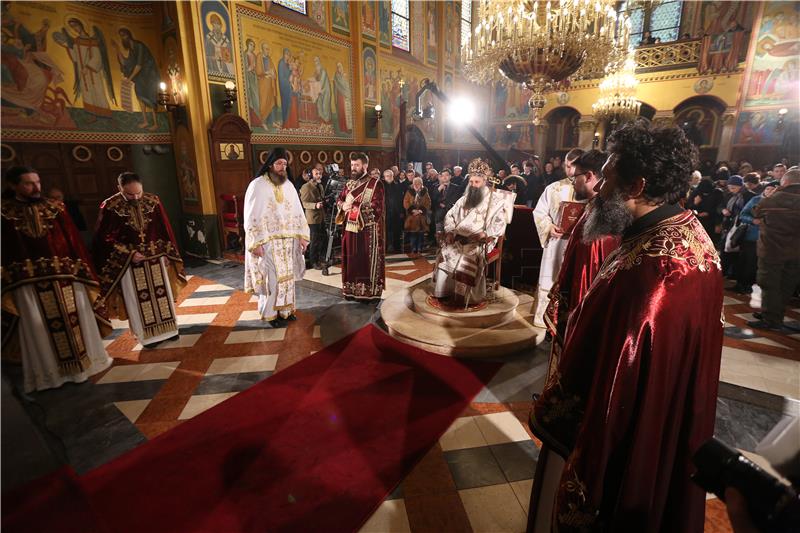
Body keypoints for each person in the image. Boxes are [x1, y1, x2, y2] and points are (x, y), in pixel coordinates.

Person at [530, 122, 723, 532]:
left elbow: (614, 363)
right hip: (665, 422)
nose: (598, 189)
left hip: (630, 432)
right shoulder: (687, 233)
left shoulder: (651, 273)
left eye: (609, 177)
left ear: (636, 186)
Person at [531, 150, 620, 530]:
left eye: (580, 174)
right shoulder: (592, 205)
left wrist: (566, 312)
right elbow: (539, 215)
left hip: (582, 317)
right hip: (567, 279)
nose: (576, 179)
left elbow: (588, 271)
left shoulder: (600, 215)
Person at [1, 166, 112, 392]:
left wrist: (83, 273)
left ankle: (85, 367)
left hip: (66, 280)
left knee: (76, 324)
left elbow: (75, 245)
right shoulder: (4, 212)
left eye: (38, 182)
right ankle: (49, 376)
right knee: (38, 329)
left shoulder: (55, 208)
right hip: (26, 286)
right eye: (29, 183)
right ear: (14, 185)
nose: (36, 188)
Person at [92, 172, 186, 347]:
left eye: (138, 193)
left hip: (155, 259)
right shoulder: (110, 206)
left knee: (162, 295)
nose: (136, 197)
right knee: (137, 299)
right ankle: (146, 336)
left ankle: (170, 330)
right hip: (129, 263)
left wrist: (166, 253)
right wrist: (129, 254)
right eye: (130, 194)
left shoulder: (153, 201)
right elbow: (104, 238)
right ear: (119, 188)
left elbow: (163, 228)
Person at [244, 148, 309, 326]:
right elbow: (251, 215)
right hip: (267, 242)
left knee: (287, 278)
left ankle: (286, 311)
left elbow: (298, 212)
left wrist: (302, 237)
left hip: (288, 241)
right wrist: (255, 242)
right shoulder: (257, 185)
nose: (282, 167)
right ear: (270, 164)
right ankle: (270, 314)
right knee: (271, 278)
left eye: (285, 164)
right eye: (279, 163)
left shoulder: (288, 185)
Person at [433, 159, 510, 306]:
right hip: (459, 237)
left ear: (485, 181)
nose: (473, 185)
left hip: (480, 240)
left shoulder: (495, 202)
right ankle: (444, 291)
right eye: (471, 182)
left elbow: (499, 224)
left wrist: (485, 234)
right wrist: (449, 231)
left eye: (477, 182)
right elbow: (450, 215)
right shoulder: (464, 199)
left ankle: (462, 297)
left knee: (468, 256)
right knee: (445, 251)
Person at [531, 148, 583, 328]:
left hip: (579, 245)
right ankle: (544, 318)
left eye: (574, 166)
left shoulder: (590, 190)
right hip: (555, 243)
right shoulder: (553, 188)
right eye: (567, 166)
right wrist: (548, 227)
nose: (570, 171)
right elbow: (539, 212)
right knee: (550, 277)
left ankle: (569, 320)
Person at [746, 167, 800, 332]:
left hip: (772, 249)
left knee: (769, 283)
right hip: (796, 251)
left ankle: (770, 319)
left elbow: (756, 212)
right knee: (786, 285)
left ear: (786, 181)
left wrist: (771, 194)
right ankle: (776, 315)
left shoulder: (775, 198)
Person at [338, 152, 385, 300]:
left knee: (363, 262)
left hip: (367, 232)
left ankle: (368, 292)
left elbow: (377, 208)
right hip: (349, 231)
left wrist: (352, 207)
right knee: (351, 261)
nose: (353, 168)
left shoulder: (376, 184)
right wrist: (342, 206)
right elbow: (340, 200)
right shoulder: (348, 184)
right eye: (352, 165)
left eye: (356, 165)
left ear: (365, 165)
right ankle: (351, 290)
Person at [735, 180, 779, 294]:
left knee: (756, 263)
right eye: (768, 189)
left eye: (773, 189)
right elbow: (743, 215)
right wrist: (753, 220)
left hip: (768, 238)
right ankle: (741, 284)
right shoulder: (756, 200)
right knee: (747, 260)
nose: (770, 191)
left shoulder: (778, 203)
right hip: (751, 236)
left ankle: (750, 285)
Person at [299, 166, 326, 269]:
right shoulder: (306, 187)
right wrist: (315, 205)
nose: (319, 175)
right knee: (314, 241)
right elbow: (303, 203)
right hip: (312, 218)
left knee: (323, 238)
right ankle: (313, 261)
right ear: (311, 176)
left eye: (320, 173)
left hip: (321, 217)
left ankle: (321, 258)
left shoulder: (320, 186)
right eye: (316, 174)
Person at [432, 169, 463, 243]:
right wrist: (439, 189)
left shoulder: (456, 187)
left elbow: (456, 200)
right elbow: (432, 200)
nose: (444, 177)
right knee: (439, 236)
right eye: (442, 176)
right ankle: (439, 250)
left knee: (450, 236)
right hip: (439, 216)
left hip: (451, 214)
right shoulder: (436, 187)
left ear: (450, 177)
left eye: (446, 175)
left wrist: (445, 205)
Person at [403, 177, 431, 255]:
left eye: (418, 184)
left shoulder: (425, 192)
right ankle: (413, 247)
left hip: (421, 215)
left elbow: (428, 203)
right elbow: (406, 202)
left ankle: (419, 248)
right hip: (412, 216)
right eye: (415, 184)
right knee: (413, 233)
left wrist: (420, 210)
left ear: (421, 184)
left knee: (421, 233)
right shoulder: (409, 191)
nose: (416, 185)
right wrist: (412, 210)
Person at [383, 169, 404, 253]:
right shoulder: (382, 186)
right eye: (387, 176)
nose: (389, 177)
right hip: (386, 211)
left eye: (391, 175)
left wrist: (401, 211)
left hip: (396, 211)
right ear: (384, 177)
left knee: (397, 230)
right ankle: (388, 246)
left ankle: (397, 247)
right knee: (387, 230)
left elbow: (401, 200)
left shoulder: (398, 186)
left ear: (393, 176)